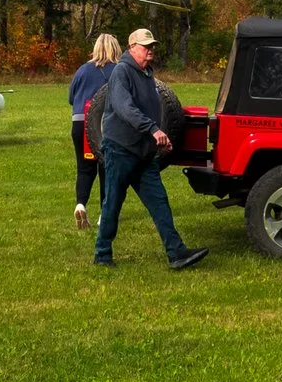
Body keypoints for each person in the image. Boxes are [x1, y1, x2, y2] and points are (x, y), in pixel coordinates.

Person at [92, 30, 209, 270]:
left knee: (159, 202)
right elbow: (125, 108)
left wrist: (161, 140)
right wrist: (153, 129)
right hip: (120, 149)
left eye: (152, 46)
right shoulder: (121, 72)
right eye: (146, 46)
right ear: (131, 46)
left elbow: (151, 109)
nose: (151, 50)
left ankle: (176, 253)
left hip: (143, 155)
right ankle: (102, 254)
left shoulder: (147, 74)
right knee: (113, 202)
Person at [67, 33, 121, 229]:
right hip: (103, 124)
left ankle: (80, 204)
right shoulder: (117, 70)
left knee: (84, 168)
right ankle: (103, 215)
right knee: (106, 168)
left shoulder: (82, 70)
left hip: (80, 123)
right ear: (116, 48)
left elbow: (71, 98)